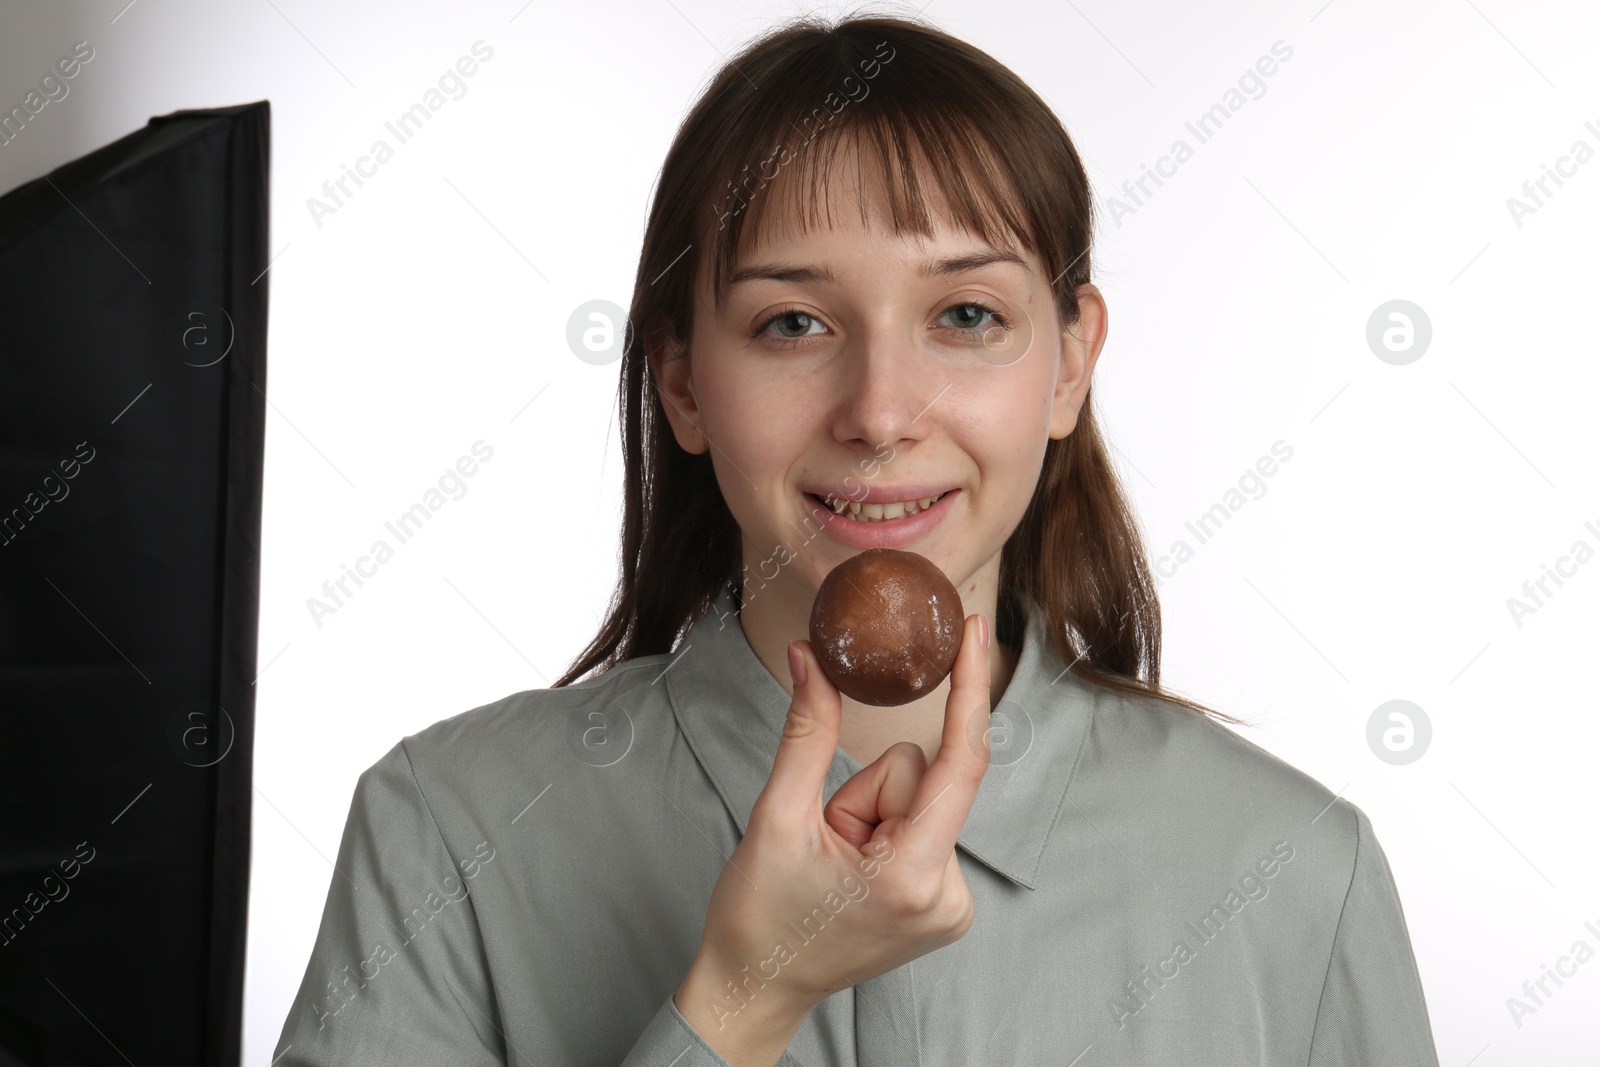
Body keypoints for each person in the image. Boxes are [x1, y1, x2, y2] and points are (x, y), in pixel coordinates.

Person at [273, 10, 1441, 1066]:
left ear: (1069, 362)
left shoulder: (1292, 868)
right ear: (681, 379)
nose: (880, 411)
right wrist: (739, 999)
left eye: (967, 315)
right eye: (791, 321)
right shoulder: (445, 831)